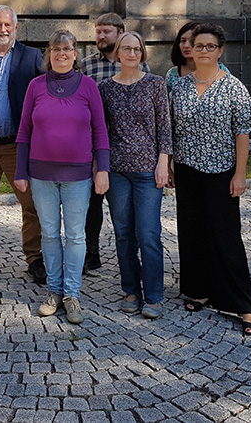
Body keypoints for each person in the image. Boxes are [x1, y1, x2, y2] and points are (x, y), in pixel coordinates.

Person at [167, 23, 251, 336]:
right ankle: (200, 289)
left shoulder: (233, 87)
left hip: (222, 169)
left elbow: (242, 132)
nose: (203, 50)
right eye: (198, 45)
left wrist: (240, 173)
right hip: (186, 168)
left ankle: (244, 304)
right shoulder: (179, 85)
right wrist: (167, 165)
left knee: (226, 235)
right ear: (189, 49)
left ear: (220, 51)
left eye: (210, 46)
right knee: (192, 232)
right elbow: (171, 129)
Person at [15, 29, 110, 325]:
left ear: (75, 54)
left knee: (75, 235)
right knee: (49, 233)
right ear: (48, 54)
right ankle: (53, 291)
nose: (61, 53)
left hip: (78, 175)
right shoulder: (35, 86)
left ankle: (72, 293)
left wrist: (102, 169)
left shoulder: (89, 87)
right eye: (56, 49)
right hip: (41, 174)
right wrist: (20, 170)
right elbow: (24, 131)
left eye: (67, 48)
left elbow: (101, 131)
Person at [99, 32, 171, 319]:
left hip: (147, 170)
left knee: (149, 233)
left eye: (137, 49)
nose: (132, 53)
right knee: (124, 234)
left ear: (143, 53)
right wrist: (100, 167)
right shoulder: (105, 88)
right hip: (117, 172)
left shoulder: (155, 85)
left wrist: (163, 162)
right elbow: (101, 132)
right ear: (117, 53)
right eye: (126, 48)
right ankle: (131, 289)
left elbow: (165, 127)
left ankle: (154, 294)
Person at [0, 5, 46, 285]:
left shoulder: (31, 57)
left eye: (7, 25)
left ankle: (34, 258)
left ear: (16, 27)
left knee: (30, 205)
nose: (2, 29)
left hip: (18, 144)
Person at [80, 13, 148, 274]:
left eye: (106, 31)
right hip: (94, 146)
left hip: (129, 149)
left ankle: (135, 256)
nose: (100, 36)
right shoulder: (86, 66)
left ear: (120, 32)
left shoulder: (140, 65)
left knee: (130, 210)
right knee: (92, 204)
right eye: (98, 32)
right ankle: (92, 252)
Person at [166, 20, 229, 93]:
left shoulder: (221, 70)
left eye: (191, 41)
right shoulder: (173, 74)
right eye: (183, 41)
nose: (186, 46)